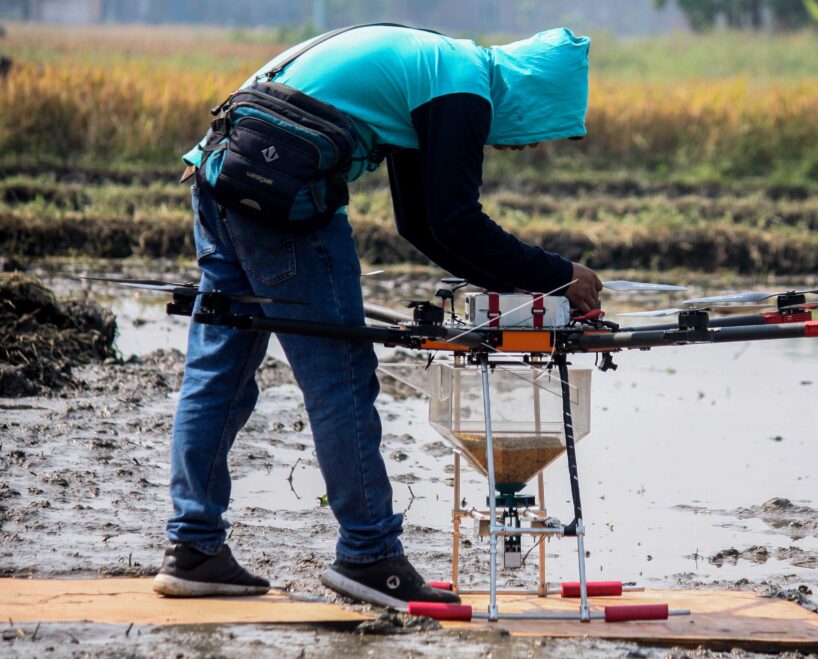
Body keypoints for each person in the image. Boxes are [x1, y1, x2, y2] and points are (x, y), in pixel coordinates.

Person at [154, 25, 602, 608]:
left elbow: (422, 224)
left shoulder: (437, 68)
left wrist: (522, 288)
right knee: (340, 377)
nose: (519, 147)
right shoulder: (464, 85)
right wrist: (559, 276)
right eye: (535, 135)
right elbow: (455, 220)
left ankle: (192, 549)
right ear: (531, 98)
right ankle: (369, 556)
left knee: (221, 369)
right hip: (280, 193)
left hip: (226, 173)